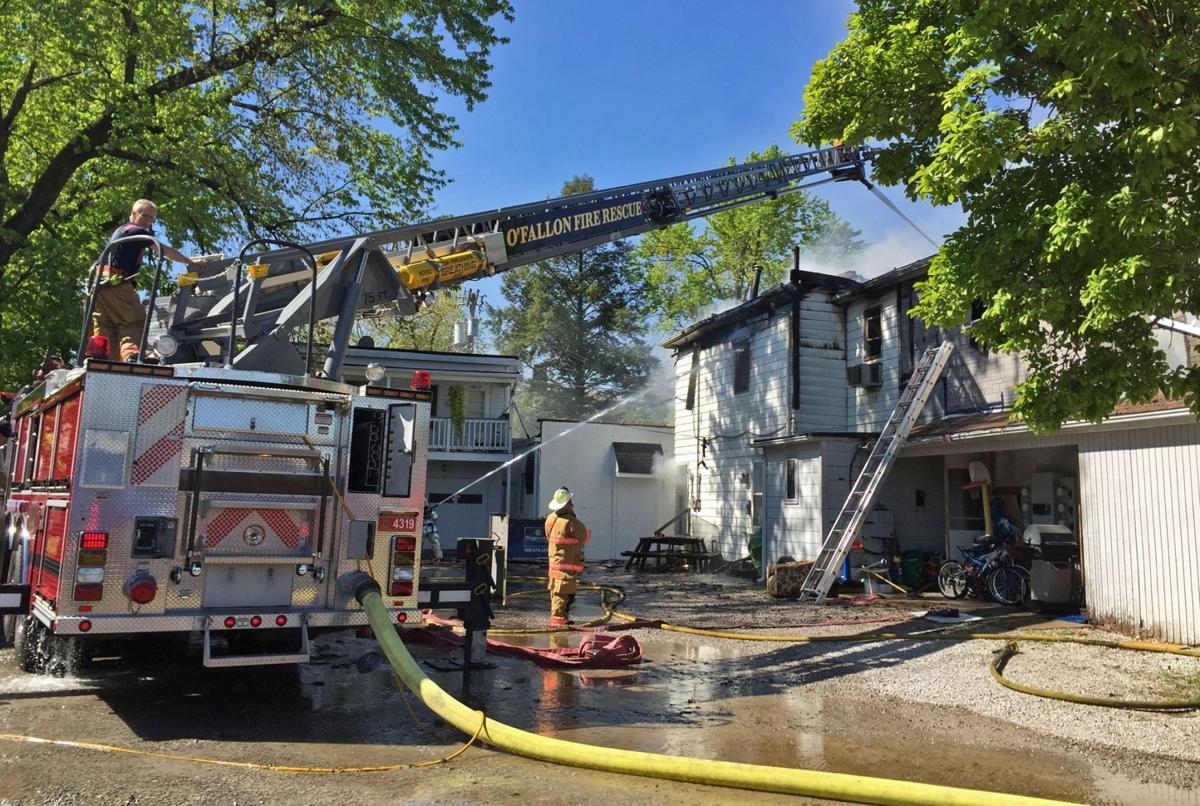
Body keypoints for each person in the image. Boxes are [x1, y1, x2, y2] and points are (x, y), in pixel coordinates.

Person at [91, 199, 204, 362]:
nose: (148, 221)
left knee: (106, 322)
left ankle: (103, 357)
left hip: (100, 281)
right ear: (133, 214)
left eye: (152, 218)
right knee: (134, 318)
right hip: (115, 280)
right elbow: (163, 250)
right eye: (145, 216)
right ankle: (132, 355)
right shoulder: (136, 231)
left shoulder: (122, 231)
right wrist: (190, 262)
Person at [544, 487, 589, 627]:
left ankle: (560, 620)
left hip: (555, 564)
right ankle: (558, 625)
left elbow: (548, 536)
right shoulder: (571, 523)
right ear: (568, 502)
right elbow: (586, 536)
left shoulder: (550, 519)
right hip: (567, 566)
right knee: (562, 596)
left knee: (556, 594)